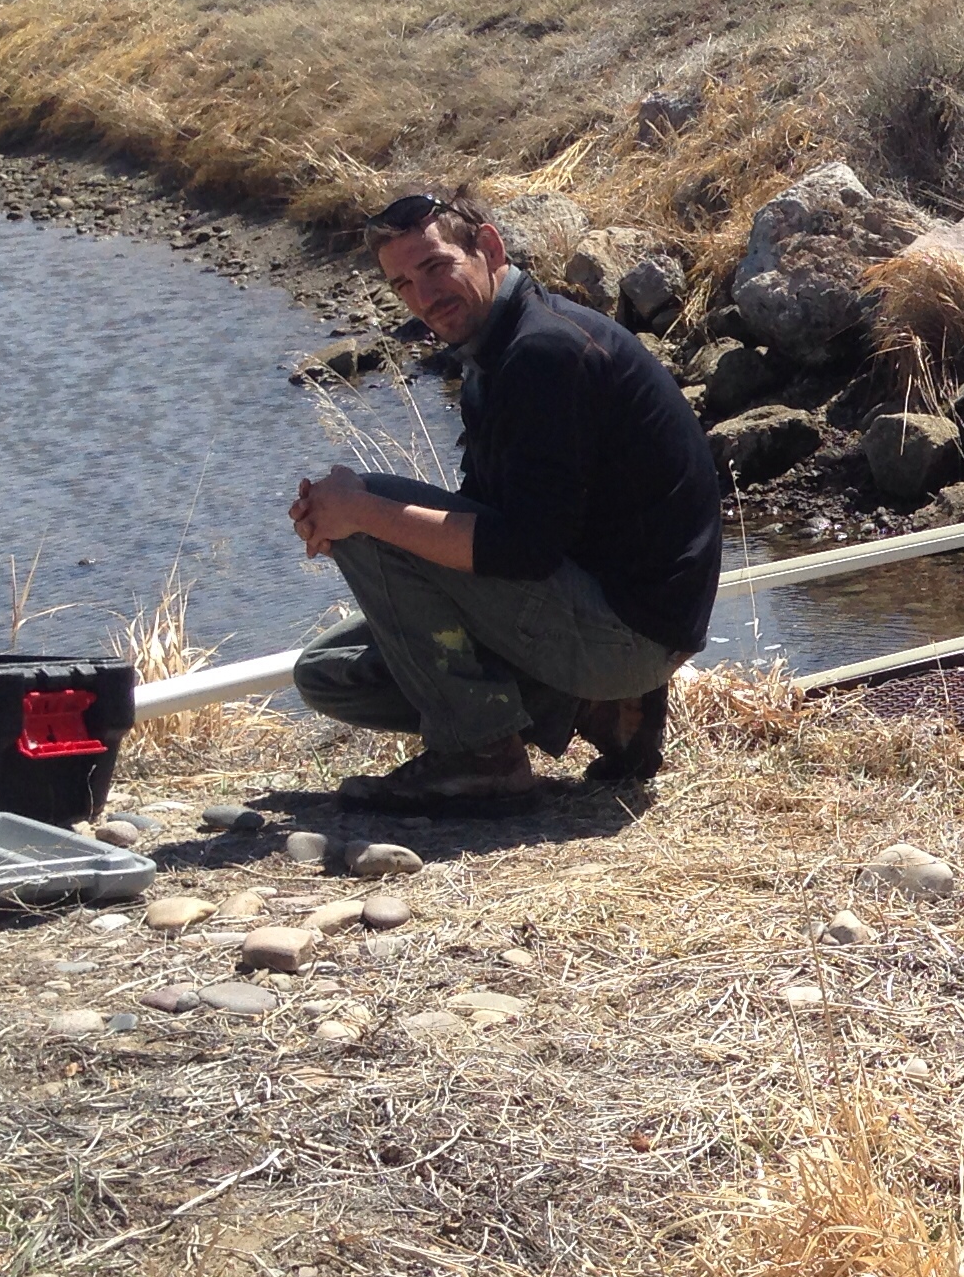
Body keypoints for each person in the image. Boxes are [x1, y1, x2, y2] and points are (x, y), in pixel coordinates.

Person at [288, 192, 721, 813]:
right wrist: (352, 511)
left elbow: (521, 549)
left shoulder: (545, 354)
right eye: (403, 284)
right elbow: (488, 514)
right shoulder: (500, 349)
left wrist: (358, 515)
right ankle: (597, 708)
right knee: (328, 672)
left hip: (629, 636)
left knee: (371, 508)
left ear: (489, 248)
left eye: (436, 267)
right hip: (611, 620)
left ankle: (483, 757)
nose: (423, 297)